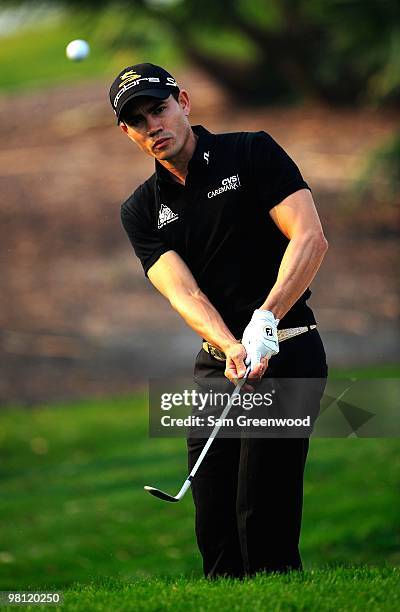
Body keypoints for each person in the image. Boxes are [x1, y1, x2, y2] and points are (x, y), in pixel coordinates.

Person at [109, 63, 329, 578]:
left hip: (287, 351)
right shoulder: (142, 209)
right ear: (127, 133)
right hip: (219, 365)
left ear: (183, 102)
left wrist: (266, 318)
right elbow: (181, 290)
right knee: (214, 521)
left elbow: (309, 237)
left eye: (158, 109)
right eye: (137, 121)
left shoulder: (250, 151)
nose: (152, 125)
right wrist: (230, 343)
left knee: (262, 515)